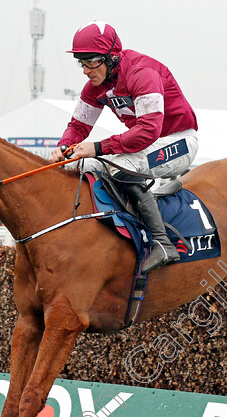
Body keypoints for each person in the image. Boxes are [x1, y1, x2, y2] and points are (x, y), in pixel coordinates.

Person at [48, 20, 199, 274]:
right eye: (81, 62)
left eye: (91, 61)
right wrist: (65, 147)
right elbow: (78, 126)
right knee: (75, 164)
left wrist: (98, 147)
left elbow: (149, 130)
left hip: (179, 141)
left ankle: (163, 244)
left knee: (120, 164)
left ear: (112, 58)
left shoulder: (143, 73)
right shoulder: (96, 86)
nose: (85, 70)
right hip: (145, 144)